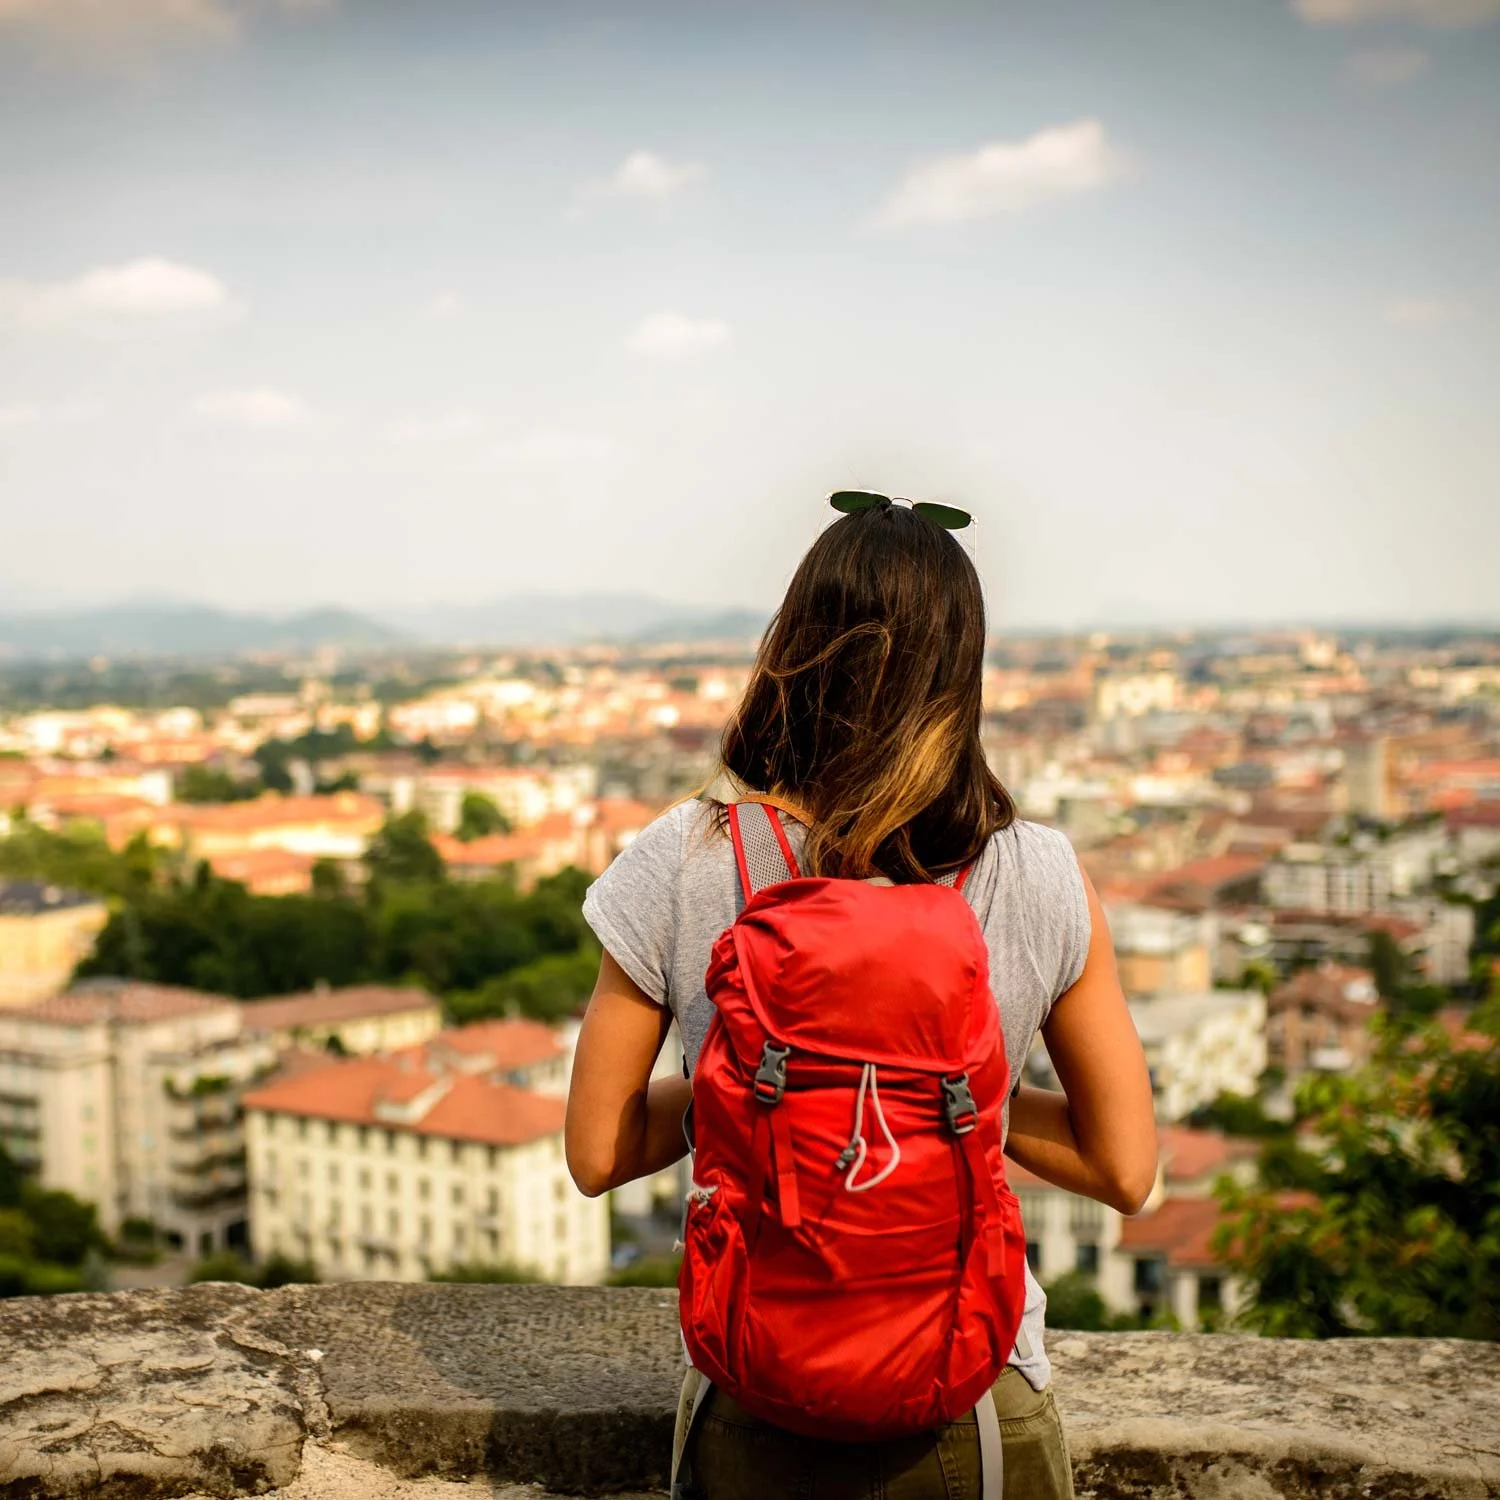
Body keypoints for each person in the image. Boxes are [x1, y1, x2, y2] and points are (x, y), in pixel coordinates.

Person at [566, 493, 1158, 1499]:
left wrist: (762, 1093)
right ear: (959, 673)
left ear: (794, 645)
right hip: (975, 1397)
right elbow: (1123, 1165)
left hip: (758, 1391)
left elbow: (598, 1151)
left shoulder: (681, 858)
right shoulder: (1042, 874)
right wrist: (948, 1099)